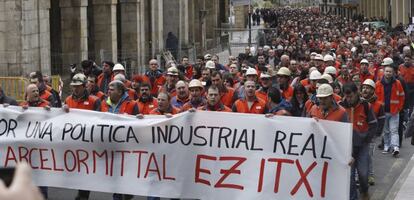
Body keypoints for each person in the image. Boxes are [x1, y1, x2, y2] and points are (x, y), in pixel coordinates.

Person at [64, 73, 102, 200]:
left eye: (78, 86)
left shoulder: (94, 100)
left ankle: (83, 195)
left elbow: (100, 120)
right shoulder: (68, 100)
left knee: (87, 169)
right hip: (73, 142)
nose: (75, 89)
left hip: (89, 143)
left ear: (85, 86)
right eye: (73, 86)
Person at [340, 82, 377, 200]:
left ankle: (364, 190)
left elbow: (373, 124)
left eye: (350, 95)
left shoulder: (366, 106)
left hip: (362, 147)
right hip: (346, 149)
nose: (348, 99)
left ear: (357, 93)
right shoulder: (340, 106)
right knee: (349, 178)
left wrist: (366, 139)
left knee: (363, 174)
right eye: (346, 96)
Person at [375, 63, 405, 156]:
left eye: (390, 72)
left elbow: (402, 96)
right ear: (384, 72)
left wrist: (399, 108)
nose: (388, 73)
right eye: (387, 71)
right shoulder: (378, 84)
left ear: (393, 73)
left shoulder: (397, 83)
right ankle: (387, 146)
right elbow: (375, 98)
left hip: (394, 112)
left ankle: (395, 147)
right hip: (383, 112)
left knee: (394, 130)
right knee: (386, 131)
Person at [361, 79, 385, 186]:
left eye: (368, 88)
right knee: (357, 156)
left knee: (369, 155)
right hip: (359, 134)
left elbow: (381, 120)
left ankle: (370, 175)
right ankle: (359, 176)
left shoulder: (379, 105)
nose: (365, 90)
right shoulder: (358, 103)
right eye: (364, 88)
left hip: (371, 135)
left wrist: (377, 133)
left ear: (372, 90)